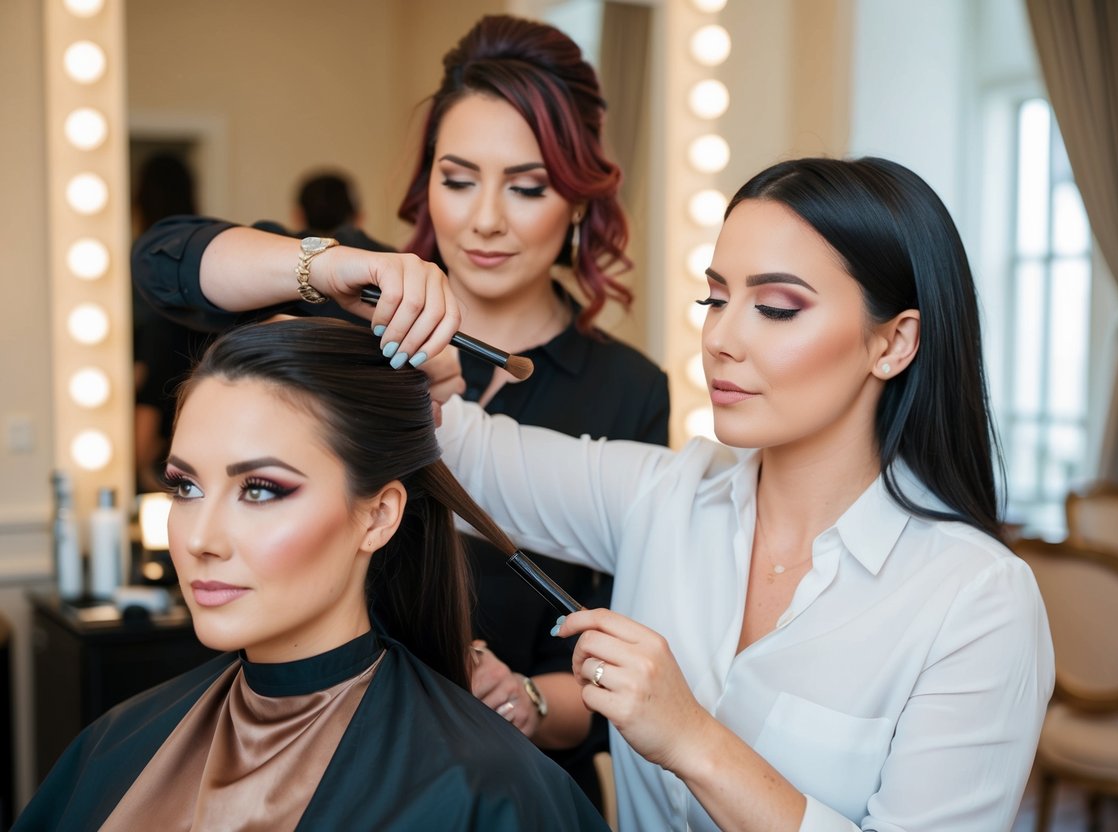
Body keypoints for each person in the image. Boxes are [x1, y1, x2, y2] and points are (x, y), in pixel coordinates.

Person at [397, 157, 1053, 830]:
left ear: (892, 342)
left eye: (774, 307)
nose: (719, 338)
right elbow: (459, 448)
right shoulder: (667, 497)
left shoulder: (977, 603)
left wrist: (691, 739)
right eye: (714, 299)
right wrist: (367, 296)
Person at [131, 14, 669, 808]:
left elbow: (622, 650)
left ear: (578, 203)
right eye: (457, 180)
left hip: (507, 790)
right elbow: (165, 262)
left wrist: (528, 697)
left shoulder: (626, 390)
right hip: (314, 755)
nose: (485, 218)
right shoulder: (351, 306)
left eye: (526, 187)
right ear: (426, 188)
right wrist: (329, 267)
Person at [13, 318, 607, 832]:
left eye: (261, 490)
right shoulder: (117, 746)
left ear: (378, 516)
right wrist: (316, 266)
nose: (199, 540)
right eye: (186, 487)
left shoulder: (483, 788)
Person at [130, 152, 211, 493]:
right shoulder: (205, 263)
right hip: (193, 404)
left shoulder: (143, 265)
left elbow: (151, 364)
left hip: (159, 404)